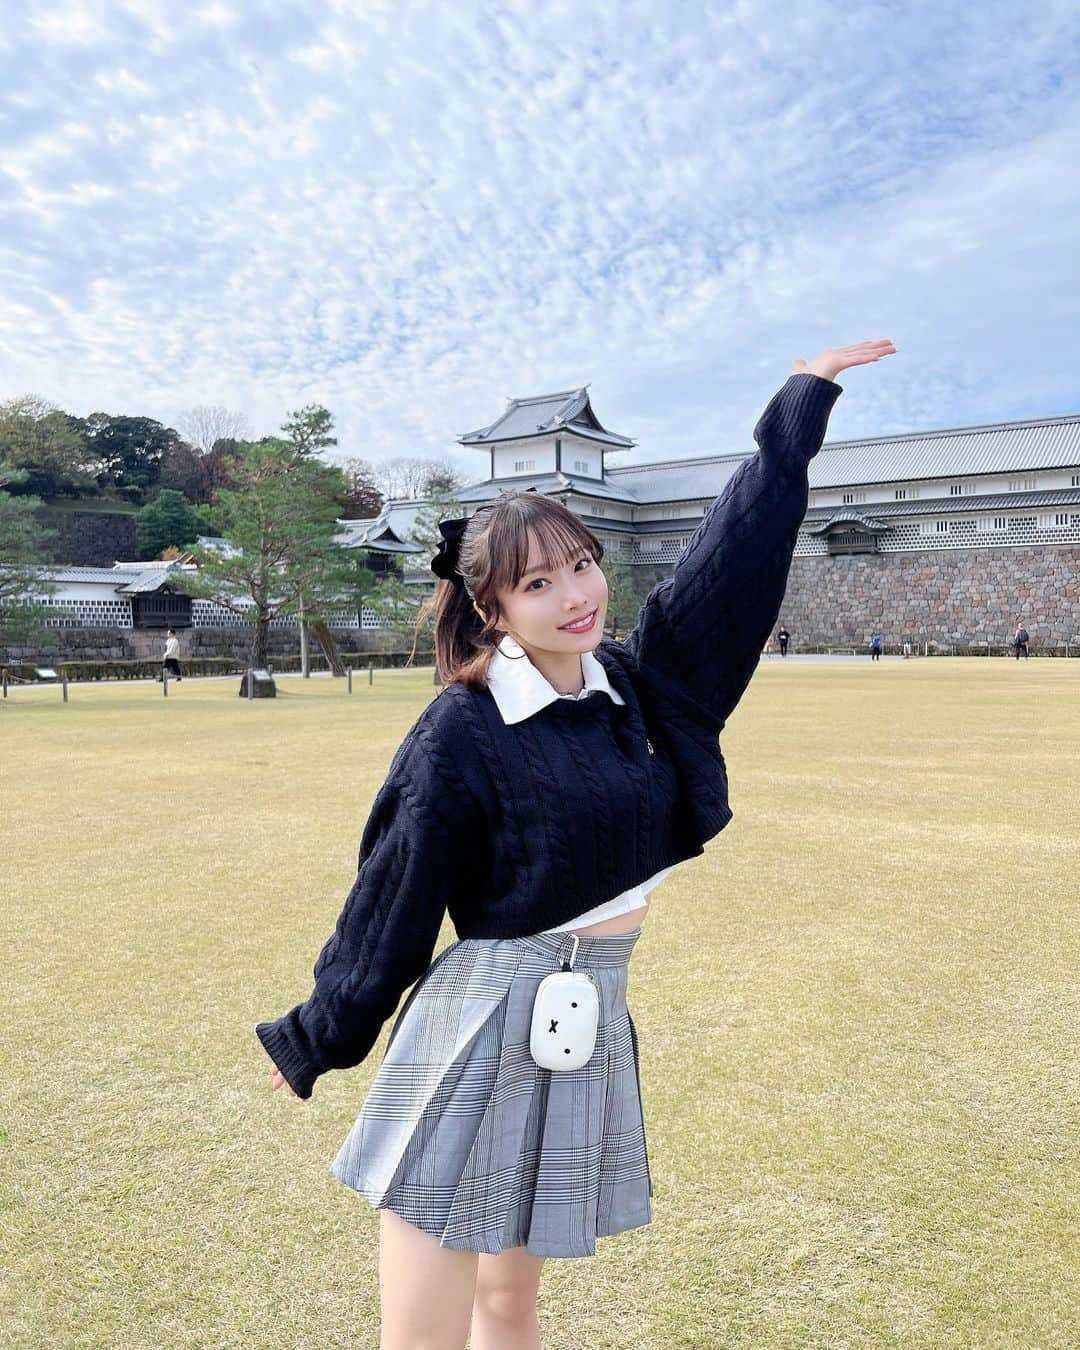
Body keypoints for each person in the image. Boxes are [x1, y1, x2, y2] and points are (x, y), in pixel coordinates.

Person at [254, 339, 896, 1350]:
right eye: (541, 583)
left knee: (515, 1304)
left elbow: (726, 575)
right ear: (493, 608)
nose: (578, 594)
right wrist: (316, 1036)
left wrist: (795, 418)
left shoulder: (637, 688)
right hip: (483, 1018)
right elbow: (391, 900)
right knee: (422, 1332)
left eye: (583, 564)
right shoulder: (459, 732)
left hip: (590, 1011)